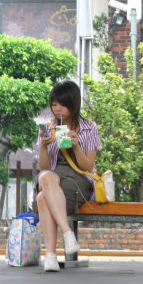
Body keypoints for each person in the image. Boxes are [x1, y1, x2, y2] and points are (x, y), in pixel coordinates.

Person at [35, 80, 101, 272]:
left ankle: (50, 256)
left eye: (62, 104)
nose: (57, 109)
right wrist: (44, 147)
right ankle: (67, 233)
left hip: (79, 179)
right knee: (46, 178)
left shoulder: (89, 128)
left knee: (42, 197)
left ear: (73, 104)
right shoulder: (49, 127)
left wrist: (76, 145)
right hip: (54, 176)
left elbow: (88, 166)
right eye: (54, 104)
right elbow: (44, 167)